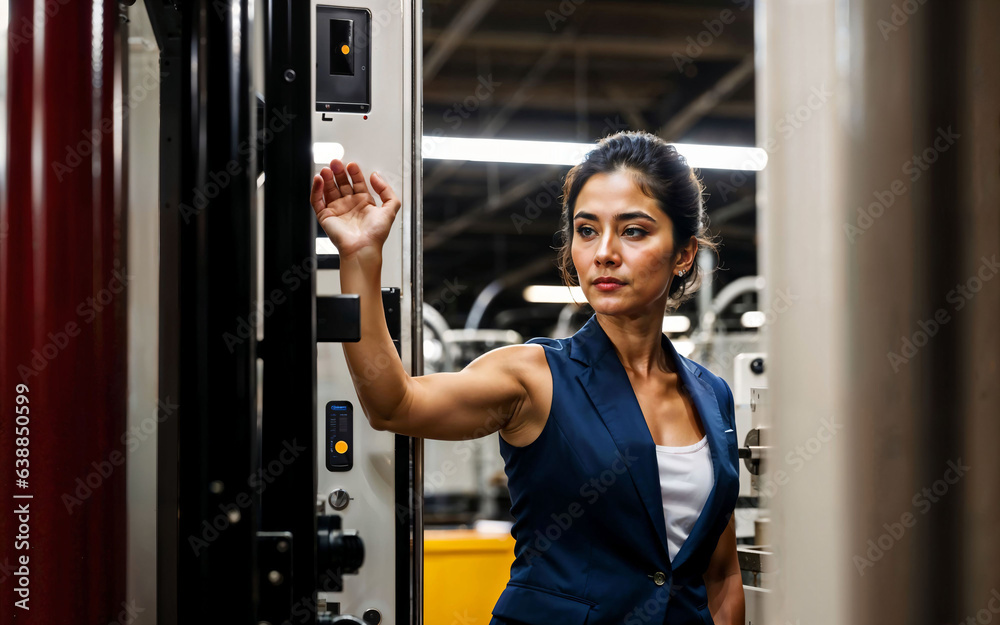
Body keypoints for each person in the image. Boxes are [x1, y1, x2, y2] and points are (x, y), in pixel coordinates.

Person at [310, 130, 744, 624]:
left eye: (634, 230)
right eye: (586, 229)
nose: (603, 252)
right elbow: (394, 403)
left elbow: (721, 574)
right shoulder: (532, 376)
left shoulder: (712, 396)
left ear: (684, 253)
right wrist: (361, 259)